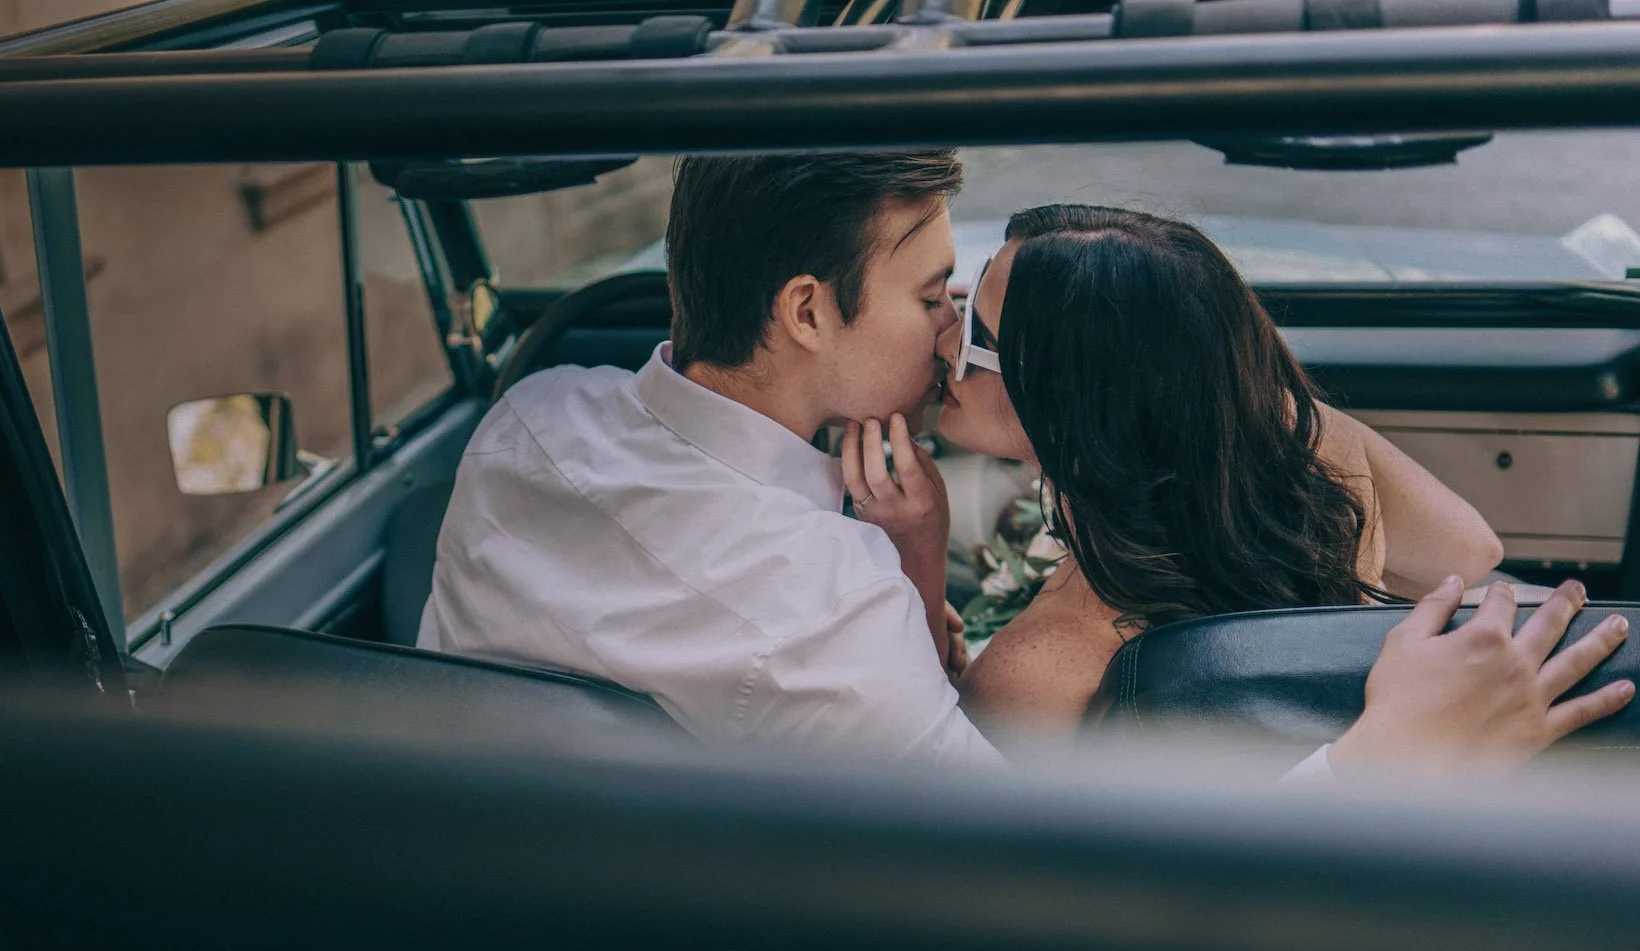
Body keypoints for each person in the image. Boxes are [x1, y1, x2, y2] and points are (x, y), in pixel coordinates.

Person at [418, 150, 1632, 776]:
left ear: (1063, 407)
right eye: (934, 296)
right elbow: (1068, 941)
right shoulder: (1285, 503)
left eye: (969, 313)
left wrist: (912, 556)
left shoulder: (530, 418)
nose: (948, 333)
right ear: (803, 313)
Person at [931, 204, 1509, 739]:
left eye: (978, 336)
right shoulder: (1311, 453)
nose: (946, 340)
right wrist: (1236, 393)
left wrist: (919, 570)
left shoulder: (1033, 671)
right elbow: (1465, 552)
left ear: (1075, 404)